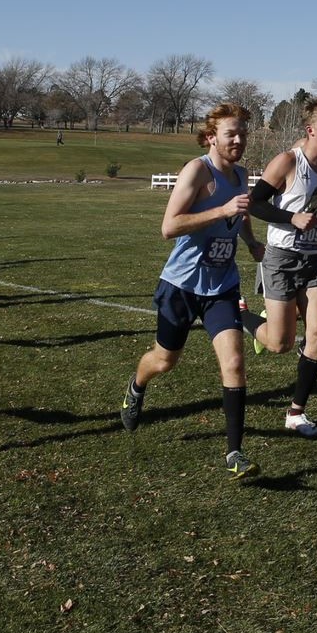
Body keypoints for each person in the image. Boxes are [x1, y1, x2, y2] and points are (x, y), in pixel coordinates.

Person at [119, 104, 265, 478]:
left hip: (222, 286)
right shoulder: (197, 170)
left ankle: (235, 452)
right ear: (211, 136)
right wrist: (220, 211)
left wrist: (250, 241)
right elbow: (169, 226)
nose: (239, 140)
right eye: (232, 133)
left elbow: (240, 214)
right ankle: (136, 387)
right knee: (164, 361)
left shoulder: (241, 175)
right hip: (181, 286)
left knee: (234, 362)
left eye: (243, 133)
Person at [243, 95, 317, 437]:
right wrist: (290, 218)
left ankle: (296, 412)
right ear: (310, 129)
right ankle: (237, 312)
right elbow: (254, 204)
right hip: (281, 258)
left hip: (313, 259)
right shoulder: (287, 162)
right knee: (280, 343)